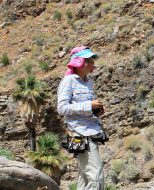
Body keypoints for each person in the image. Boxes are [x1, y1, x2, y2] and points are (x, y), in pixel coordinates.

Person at [57, 46, 105, 190]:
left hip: (90, 131)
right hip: (78, 132)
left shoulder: (88, 83)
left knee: (84, 177)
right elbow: (62, 109)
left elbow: (84, 107)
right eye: (89, 60)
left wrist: (96, 110)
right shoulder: (69, 81)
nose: (93, 64)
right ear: (79, 62)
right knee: (96, 175)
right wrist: (89, 105)